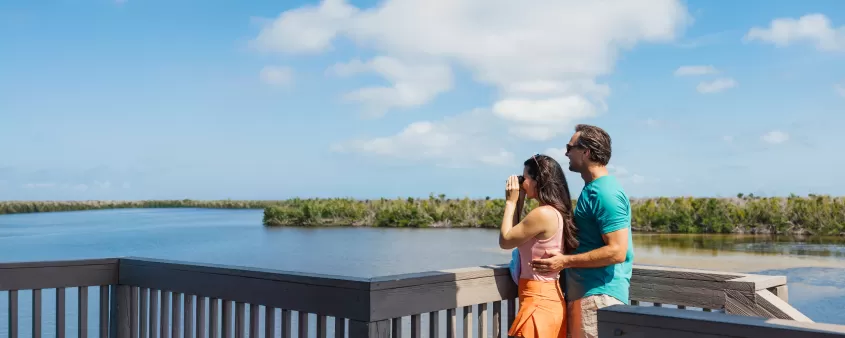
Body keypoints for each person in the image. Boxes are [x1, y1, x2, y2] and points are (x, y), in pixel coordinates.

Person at [529, 124, 634, 338]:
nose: (566, 153)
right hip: (587, 295)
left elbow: (617, 251)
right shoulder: (592, 189)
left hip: (597, 297)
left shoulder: (605, 193)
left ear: (585, 152)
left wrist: (564, 261)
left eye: (570, 147)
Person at [499, 154, 579, 338]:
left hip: (537, 301)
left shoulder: (542, 214)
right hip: (548, 298)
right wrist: (519, 201)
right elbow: (515, 237)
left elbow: (505, 240)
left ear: (538, 180)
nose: (522, 183)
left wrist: (510, 202)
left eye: (524, 178)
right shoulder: (556, 212)